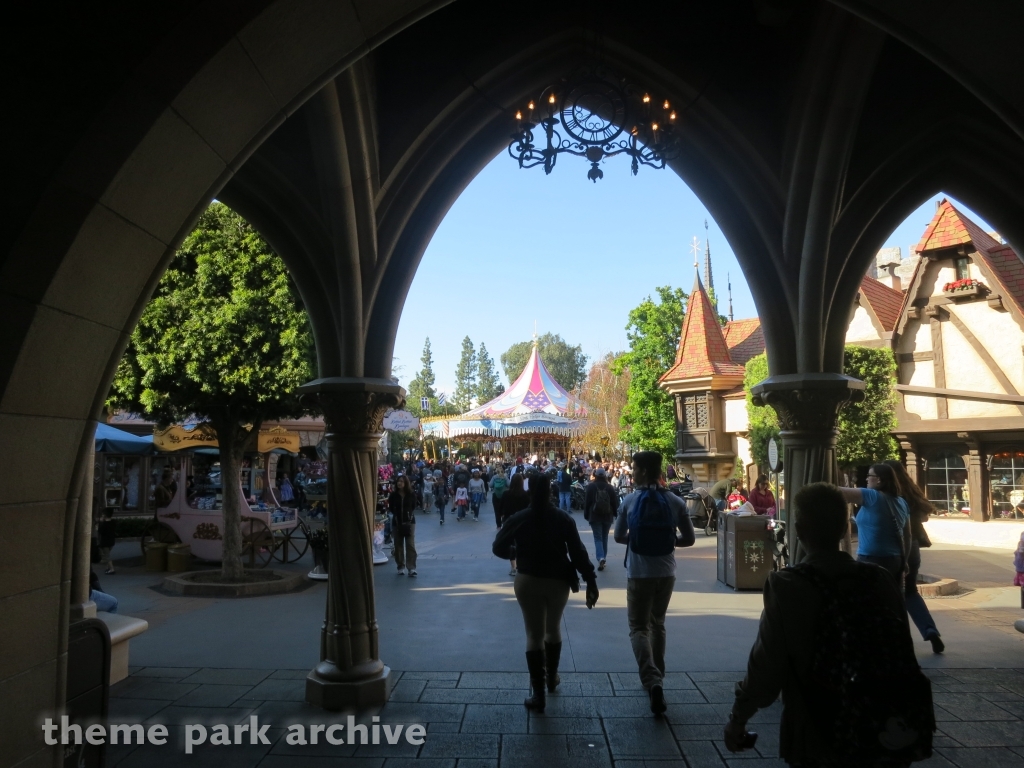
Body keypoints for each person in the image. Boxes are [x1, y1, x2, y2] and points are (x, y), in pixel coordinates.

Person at [725, 482, 932, 767]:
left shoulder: (788, 585)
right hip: (882, 722)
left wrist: (738, 718)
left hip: (818, 725)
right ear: (845, 527)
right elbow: (902, 650)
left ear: (799, 530)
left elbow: (767, 665)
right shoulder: (879, 579)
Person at [492, 473, 598, 714]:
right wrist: (590, 580)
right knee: (553, 628)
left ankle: (538, 693)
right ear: (551, 492)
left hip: (528, 577)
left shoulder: (520, 518)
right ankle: (552, 677)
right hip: (557, 579)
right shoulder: (563, 518)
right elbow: (578, 552)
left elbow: (498, 546)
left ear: (530, 492)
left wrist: (516, 553)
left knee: (533, 633)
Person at [613, 451, 696, 715]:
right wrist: (668, 543)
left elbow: (618, 537)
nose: (632, 472)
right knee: (657, 622)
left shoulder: (629, 500)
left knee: (638, 627)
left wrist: (638, 541)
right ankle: (659, 673)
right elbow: (689, 539)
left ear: (645, 472)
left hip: (639, 573)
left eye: (635, 469)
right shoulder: (674, 501)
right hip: (666, 571)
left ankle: (651, 680)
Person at [884, 460, 944, 654]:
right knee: (910, 591)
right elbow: (925, 516)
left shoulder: (889, 495)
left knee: (888, 595)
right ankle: (930, 630)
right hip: (913, 548)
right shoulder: (912, 492)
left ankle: (896, 640)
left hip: (892, 547)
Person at [839, 463, 911, 590]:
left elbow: (835, 491)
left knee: (868, 602)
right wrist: (904, 560)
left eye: (869, 475)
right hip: (895, 560)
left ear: (879, 479)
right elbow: (908, 535)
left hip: (871, 559)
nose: (866, 479)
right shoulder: (901, 502)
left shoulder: (872, 496)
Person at [584, 467, 620, 571]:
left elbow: (587, 502)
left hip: (594, 516)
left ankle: (600, 558)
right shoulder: (609, 487)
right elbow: (614, 502)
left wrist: (586, 514)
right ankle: (603, 557)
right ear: (604, 476)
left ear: (595, 475)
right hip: (607, 516)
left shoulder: (591, 487)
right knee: (604, 537)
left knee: (597, 537)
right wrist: (615, 514)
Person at [500, 473, 529, 576]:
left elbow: (501, 509)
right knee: (522, 544)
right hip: (523, 522)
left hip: (509, 522)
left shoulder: (506, 494)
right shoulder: (525, 495)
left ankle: (513, 567)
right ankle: (521, 565)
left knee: (511, 545)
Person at [389, 475, 418, 576]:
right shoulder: (393, 495)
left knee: (410, 544)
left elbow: (413, 506)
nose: (399, 483)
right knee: (398, 545)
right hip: (397, 522)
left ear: (406, 483)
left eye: (401, 481)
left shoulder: (411, 494)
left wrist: (408, 515)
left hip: (410, 522)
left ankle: (411, 568)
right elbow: (391, 508)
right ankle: (400, 566)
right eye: (398, 481)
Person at [97, 508, 117, 575]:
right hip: (111, 541)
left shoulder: (104, 524)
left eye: (103, 514)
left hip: (105, 542)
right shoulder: (113, 522)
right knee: (108, 555)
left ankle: (111, 569)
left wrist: (100, 523)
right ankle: (108, 567)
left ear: (105, 515)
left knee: (107, 556)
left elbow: (100, 531)